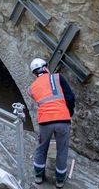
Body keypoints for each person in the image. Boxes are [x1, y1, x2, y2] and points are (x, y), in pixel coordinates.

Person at [28, 58, 75, 188]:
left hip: (44, 121)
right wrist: (69, 113)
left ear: (34, 73)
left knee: (41, 148)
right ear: (46, 67)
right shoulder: (58, 78)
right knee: (62, 149)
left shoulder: (31, 88)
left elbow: (41, 98)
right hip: (62, 119)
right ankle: (60, 180)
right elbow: (70, 97)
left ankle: (38, 176)